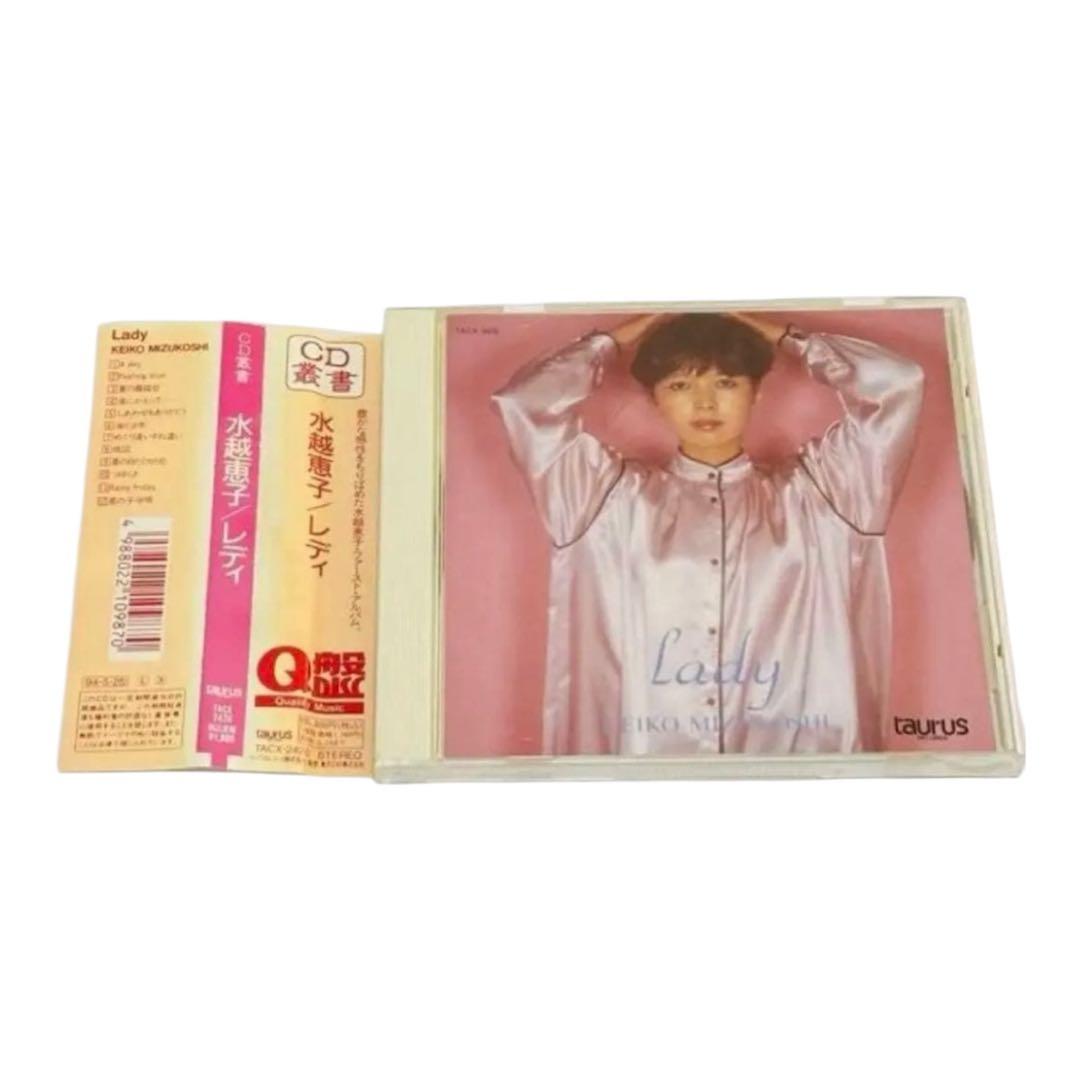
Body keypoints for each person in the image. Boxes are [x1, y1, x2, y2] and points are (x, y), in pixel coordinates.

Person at [490, 311, 925, 756]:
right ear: (655, 399)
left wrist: (787, 338)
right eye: (680, 385)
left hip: (801, 765)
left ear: (757, 392)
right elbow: (524, 403)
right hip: (648, 770)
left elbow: (897, 385)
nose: (705, 403)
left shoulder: (826, 493)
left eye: (726, 382)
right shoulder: (603, 499)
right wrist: (610, 343)